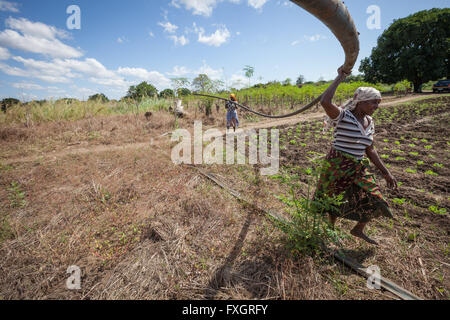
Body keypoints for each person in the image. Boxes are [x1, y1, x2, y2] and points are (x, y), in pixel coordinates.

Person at [315, 66, 398, 245]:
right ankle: (330, 229)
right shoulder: (343, 116)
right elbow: (325, 102)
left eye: (378, 103)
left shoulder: (370, 122)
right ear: (360, 102)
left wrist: (386, 172)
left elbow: (370, 149)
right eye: (373, 102)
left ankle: (358, 229)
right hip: (337, 164)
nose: (376, 106)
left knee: (376, 199)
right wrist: (340, 77)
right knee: (332, 199)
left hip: (358, 166)